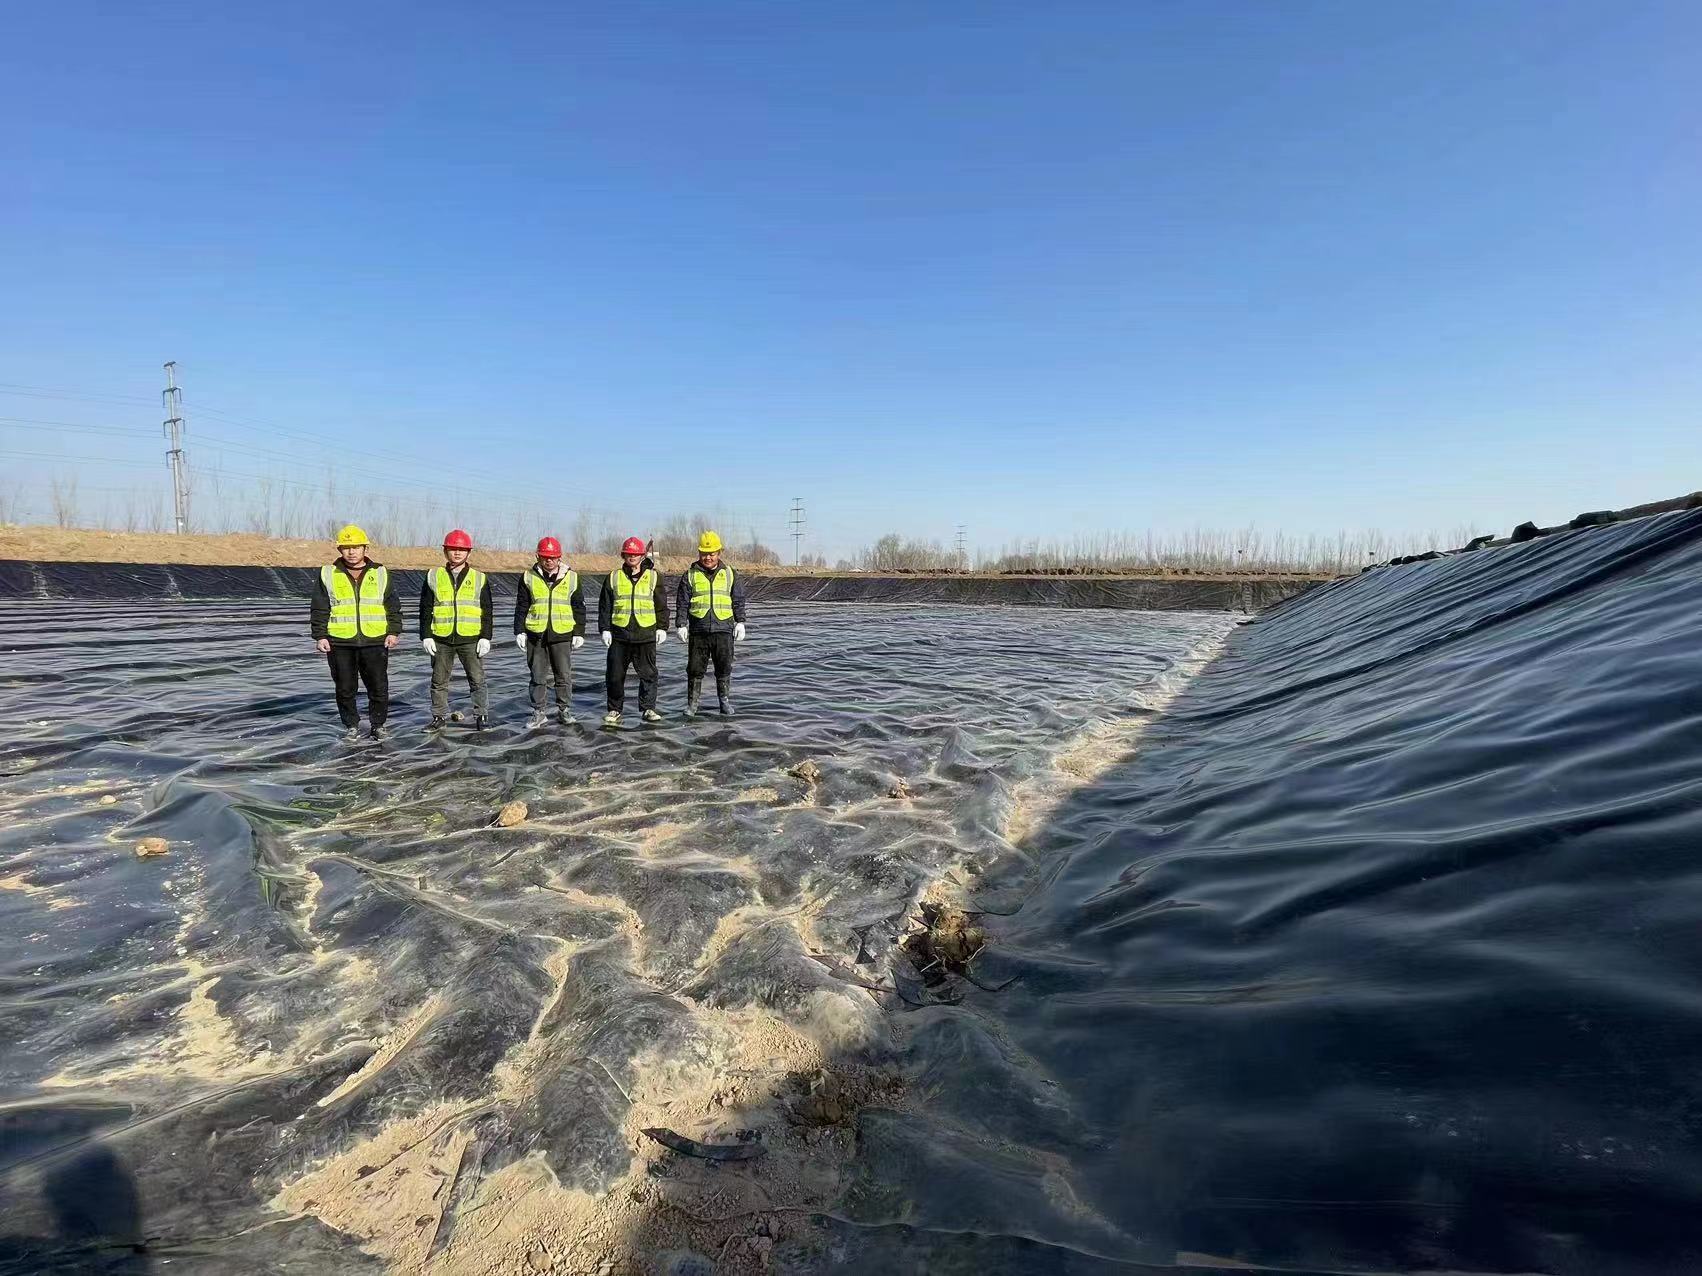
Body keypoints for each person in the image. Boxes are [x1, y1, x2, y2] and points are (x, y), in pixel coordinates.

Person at [309, 524, 403, 741]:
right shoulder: (328, 573)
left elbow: (392, 604)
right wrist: (320, 635)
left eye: (356, 547)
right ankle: (351, 725)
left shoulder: (380, 572)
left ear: (365, 548)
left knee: (378, 686)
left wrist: (394, 631)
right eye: (346, 547)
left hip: (375, 640)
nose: (351, 552)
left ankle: (378, 725)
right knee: (344, 687)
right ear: (340, 550)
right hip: (340, 641)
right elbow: (320, 606)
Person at [420, 528, 493, 730]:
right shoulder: (433, 576)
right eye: (453, 549)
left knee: (477, 679)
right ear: (445, 551)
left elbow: (487, 609)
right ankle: (439, 717)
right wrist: (426, 635)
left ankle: (482, 716)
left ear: (468, 552)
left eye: (462, 549)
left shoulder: (479, 578)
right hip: (441, 638)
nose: (457, 553)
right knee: (439, 681)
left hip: (470, 638)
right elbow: (425, 608)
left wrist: (486, 637)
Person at [673, 530, 748, 717]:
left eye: (711, 554)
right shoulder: (689, 575)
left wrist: (741, 622)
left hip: (723, 629)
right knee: (695, 669)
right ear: (699, 554)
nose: (708, 557)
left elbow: (738, 599)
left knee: (724, 667)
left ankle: (724, 702)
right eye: (704, 553)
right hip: (699, 630)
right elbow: (682, 601)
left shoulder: (730, 574)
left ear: (719, 553)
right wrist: (681, 624)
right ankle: (692, 705)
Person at [514, 535, 585, 727]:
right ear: (538, 556)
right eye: (545, 556)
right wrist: (519, 630)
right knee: (537, 675)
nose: (549, 560)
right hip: (536, 634)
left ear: (559, 557)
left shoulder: (572, 577)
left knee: (563, 674)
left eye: (553, 556)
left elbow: (578, 606)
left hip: (562, 634)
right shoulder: (528, 577)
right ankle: (539, 712)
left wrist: (579, 631)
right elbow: (522, 605)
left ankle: (564, 710)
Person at [598, 536, 669, 727]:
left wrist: (662, 627)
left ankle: (648, 708)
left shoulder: (654, 577)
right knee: (614, 674)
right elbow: (605, 606)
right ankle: (615, 709)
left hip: (645, 634)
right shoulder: (613, 577)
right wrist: (604, 629)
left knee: (648, 674)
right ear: (623, 555)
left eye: (635, 554)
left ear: (641, 555)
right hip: (619, 635)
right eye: (628, 554)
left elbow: (661, 606)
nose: (632, 557)